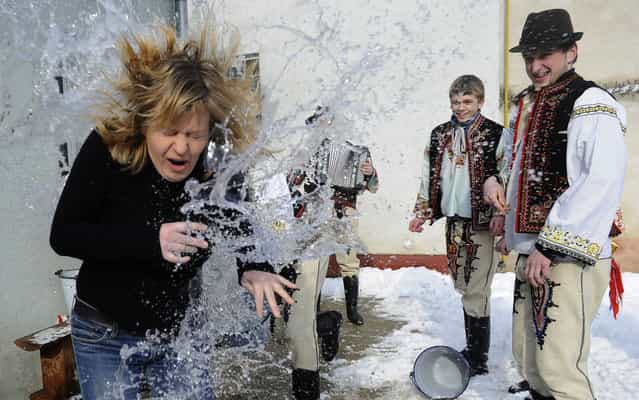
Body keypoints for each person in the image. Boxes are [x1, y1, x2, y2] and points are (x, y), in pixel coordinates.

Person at [49, 26, 295, 400]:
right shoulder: (109, 147)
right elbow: (64, 234)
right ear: (146, 123)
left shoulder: (218, 162)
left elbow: (238, 217)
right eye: (169, 131)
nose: (181, 147)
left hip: (180, 331)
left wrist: (254, 265)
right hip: (105, 333)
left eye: (193, 135)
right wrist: (151, 240)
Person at [483, 9, 627, 400]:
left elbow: (599, 181)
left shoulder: (591, 102)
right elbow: (512, 160)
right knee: (531, 363)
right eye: (528, 56)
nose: (535, 65)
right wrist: (498, 190)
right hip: (532, 250)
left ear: (572, 51)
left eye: (545, 54)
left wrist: (551, 245)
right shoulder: (528, 103)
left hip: (567, 254)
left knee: (560, 370)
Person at [408, 75, 503, 376]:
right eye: (456, 101)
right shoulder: (439, 134)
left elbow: (507, 174)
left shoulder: (495, 133)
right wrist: (422, 211)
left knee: (477, 289)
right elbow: (427, 175)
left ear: (480, 102)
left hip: (483, 224)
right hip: (453, 224)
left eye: (467, 101)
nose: (460, 107)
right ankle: (472, 349)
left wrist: (503, 216)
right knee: (464, 287)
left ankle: (478, 357)